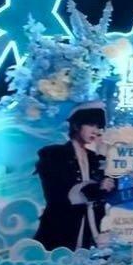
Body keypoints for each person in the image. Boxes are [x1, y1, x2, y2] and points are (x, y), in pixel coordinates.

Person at [33, 101, 114, 250]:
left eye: (98, 127)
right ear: (77, 125)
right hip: (60, 228)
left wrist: (104, 155)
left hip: (92, 231)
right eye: (91, 125)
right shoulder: (53, 154)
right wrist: (96, 188)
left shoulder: (96, 158)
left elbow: (108, 193)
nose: (96, 131)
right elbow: (58, 194)